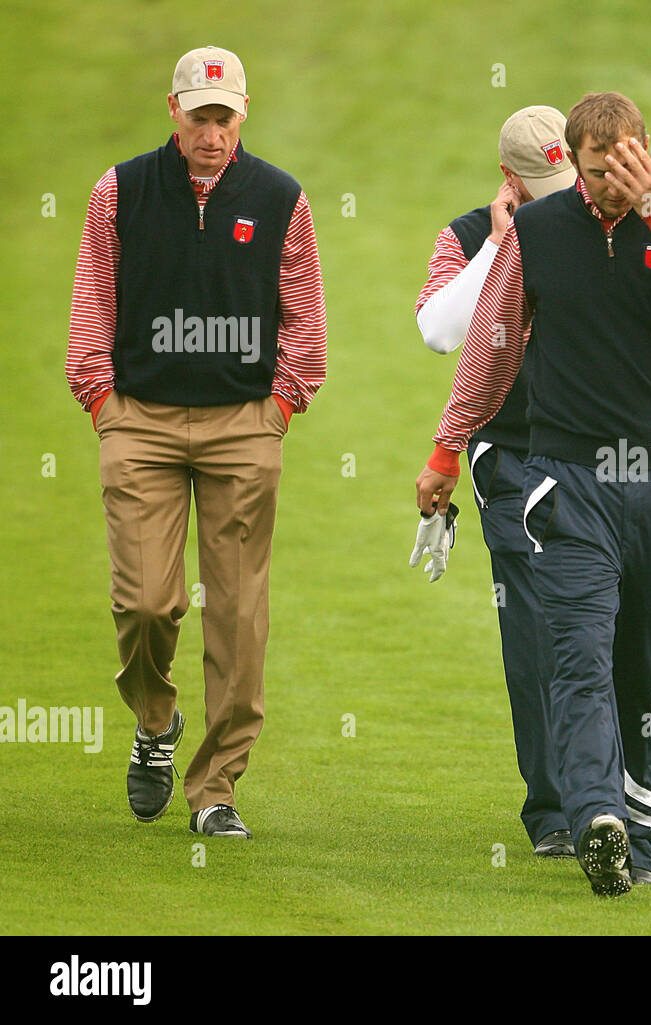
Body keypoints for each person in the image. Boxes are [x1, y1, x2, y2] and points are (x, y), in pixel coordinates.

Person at [415, 92, 651, 896]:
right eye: (595, 171)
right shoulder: (535, 233)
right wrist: (445, 448)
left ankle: (638, 819)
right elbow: (492, 350)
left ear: (644, 152)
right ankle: (595, 814)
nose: (609, 186)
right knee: (576, 654)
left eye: (623, 167)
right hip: (566, 480)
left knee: (646, 659)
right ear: (572, 163)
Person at [66, 46, 327, 839]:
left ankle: (216, 788)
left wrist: (280, 406)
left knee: (239, 613)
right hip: (138, 417)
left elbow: (305, 322)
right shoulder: (121, 190)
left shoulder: (281, 198)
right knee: (146, 602)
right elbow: (92, 300)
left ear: (243, 113)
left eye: (224, 116)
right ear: (172, 112)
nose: (211, 132)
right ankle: (155, 719)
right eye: (198, 115)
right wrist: (103, 400)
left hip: (244, 421)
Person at [411, 105, 576, 859]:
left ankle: (608, 791)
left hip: (592, 453)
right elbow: (441, 330)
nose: (561, 193)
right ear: (509, 179)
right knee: (535, 627)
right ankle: (551, 809)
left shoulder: (594, 220)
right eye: (541, 183)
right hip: (508, 451)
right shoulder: (469, 236)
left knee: (598, 622)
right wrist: (503, 246)